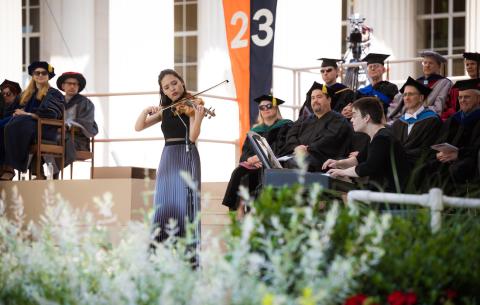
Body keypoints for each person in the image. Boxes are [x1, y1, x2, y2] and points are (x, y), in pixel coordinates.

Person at [135, 69, 206, 251]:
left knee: (185, 204)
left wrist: (198, 116)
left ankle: (187, 253)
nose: (172, 89)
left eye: (174, 83)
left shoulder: (193, 104)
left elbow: (192, 137)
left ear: (182, 82)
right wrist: (146, 110)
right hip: (167, 157)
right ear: (163, 92)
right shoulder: (165, 111)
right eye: (166, 87)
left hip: (186, 154)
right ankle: (160, 252)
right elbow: (139, 127)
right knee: (164, 203)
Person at [222, 94, 293, 218]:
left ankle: (254, 213)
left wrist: (262, 157)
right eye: (262, 107)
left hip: (273, 165)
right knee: (238, 172)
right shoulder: (255, 131)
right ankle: (236, 210)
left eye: (269, 106)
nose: (265, 109)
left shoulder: (286, 125)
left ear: (276, 108)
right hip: (255, 165)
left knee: (253, 177)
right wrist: (250, 159)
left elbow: (285, 148)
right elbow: (245, 153)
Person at [324, 97, 410, 193]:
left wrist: (342, 172)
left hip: (390, 194)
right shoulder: (374, 136)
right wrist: (337, 163)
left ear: (366, 118)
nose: (351, 120)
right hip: (381, 189)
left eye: (354, 116)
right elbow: (358, 159)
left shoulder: (382, 138)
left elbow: (368, 167)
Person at [0, 61, 65, 180]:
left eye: (43, 73)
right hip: (23, 123)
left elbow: (52, 114)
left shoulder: (54, 94)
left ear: (48, 76)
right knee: (3, 126)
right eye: (37, 73)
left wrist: (26, 113)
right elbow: (10, 110)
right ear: (33, 75)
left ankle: (10, 167)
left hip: (43, 127)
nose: (40, 75)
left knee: (13, 126)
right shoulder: (26, 94)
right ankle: (3, 167)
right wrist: (15, 112)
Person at [282, 81, 353, 171]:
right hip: (297, 156)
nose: (315, 100)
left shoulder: (338, 120)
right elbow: (291, 135)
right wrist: (296, 147)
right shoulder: (303, 119)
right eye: (312, 98)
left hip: (322, 161)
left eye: (319, 97)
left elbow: (329, 139)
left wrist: (308, 149)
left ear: (329, 99)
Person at [430, 78, 480, 187]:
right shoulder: (453, 119)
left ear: (478, 98)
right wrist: (440, 152)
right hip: (448, 159)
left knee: (457, 168)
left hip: (470, 162)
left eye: (467, 97)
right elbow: (441, 140)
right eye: (460, 97)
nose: (462, 100)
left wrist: (458, 154)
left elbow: (477, 148)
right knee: (430, 166)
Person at [391, 77, 442, 172]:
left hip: (420, 165)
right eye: (405, 95)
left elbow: (428, 148)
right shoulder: (397, 123)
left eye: (410, 94)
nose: (406, 98)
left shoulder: (431, 120)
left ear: (421, 98)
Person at [388, 51, 453, 121]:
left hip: (427, 118)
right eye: (425, 63)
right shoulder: (416, 82)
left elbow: (439, 107)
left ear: (439, 66)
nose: (427, 65)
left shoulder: (444, 83)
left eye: (431, 63)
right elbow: (398, 101)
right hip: (407, 117)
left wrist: (416, 112)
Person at [56, 72, 98, 170]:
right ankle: (41, 172)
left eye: (75, 84)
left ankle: (54, 171)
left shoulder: (85, 103)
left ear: (78, 87)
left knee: (60, 140)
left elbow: (86, 122)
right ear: (63, 86)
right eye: (69, 83)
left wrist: (67, 126)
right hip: (57, 136)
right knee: (42, 140)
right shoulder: (57, 102)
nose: (72, 86)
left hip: (78, 140)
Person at [442, 52, 480, 121]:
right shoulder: (458, 87)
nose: (469, 67)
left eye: (473, 64)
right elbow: (449, 107)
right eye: (467, 65)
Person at [0, 80, 22, 175]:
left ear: (15, 94)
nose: (5, 96)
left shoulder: (19, 105)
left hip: (15, 130)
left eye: (8, 94)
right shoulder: (2, 107)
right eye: (3, 94)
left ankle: (8, 168)